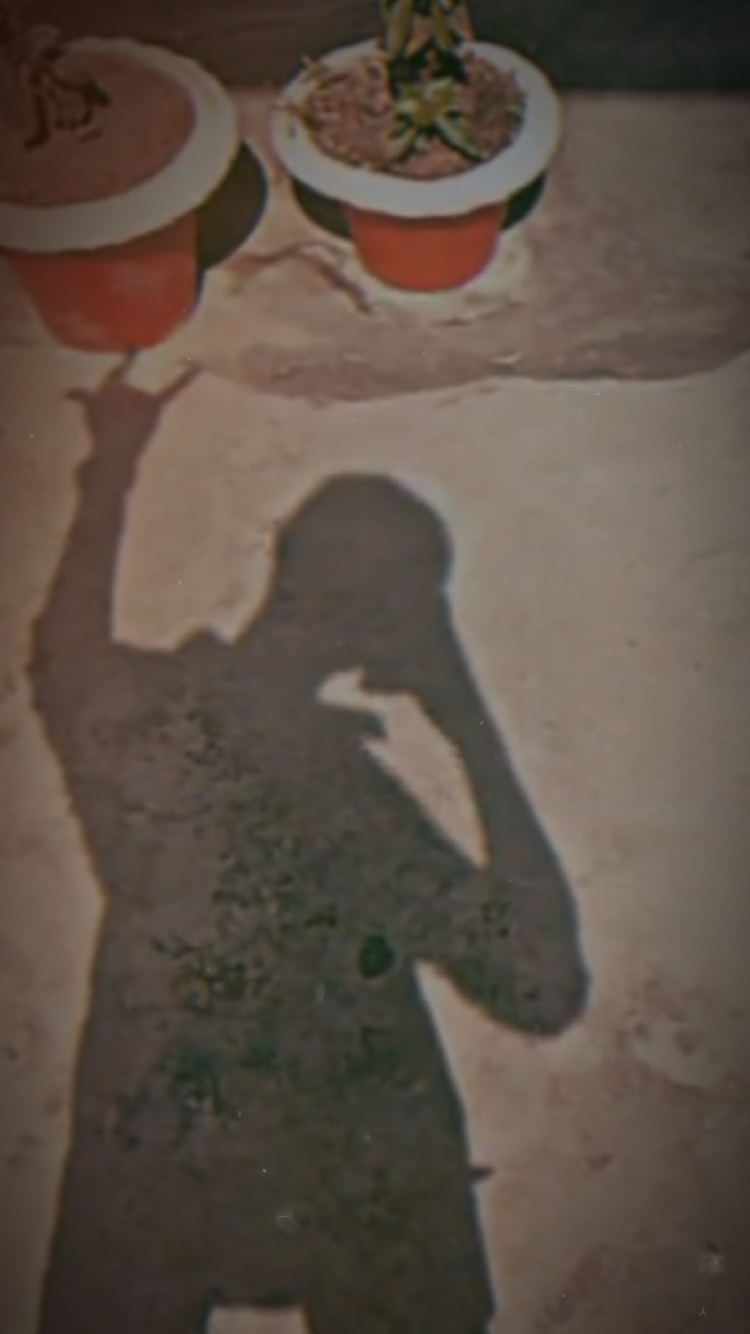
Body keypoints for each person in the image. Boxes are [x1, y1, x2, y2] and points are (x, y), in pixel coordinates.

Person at [32, 358, 588, 1334]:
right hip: (211, 1156)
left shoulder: (313, 778)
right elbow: (65, 665)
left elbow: (540, 985)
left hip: (284, 1171)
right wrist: (465, 720)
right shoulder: (227, 740)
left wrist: (112, 472)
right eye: (400, 601)